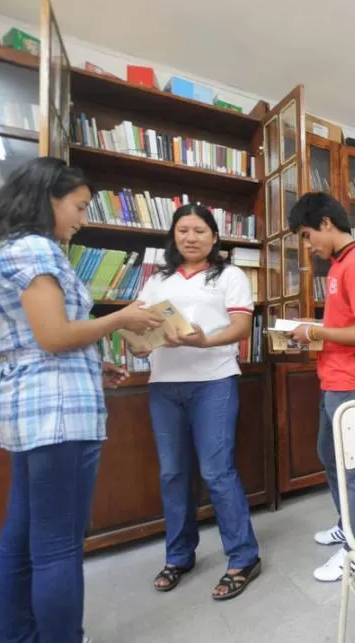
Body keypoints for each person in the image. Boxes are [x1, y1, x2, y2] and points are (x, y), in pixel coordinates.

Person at [0, 157, 164, 643]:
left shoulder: (8, 250)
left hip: (32, 404)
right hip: (58, 412)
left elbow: (38, 339)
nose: (82, 218)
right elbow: (52, 335)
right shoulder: (38, 251)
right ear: (48, 198)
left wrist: (96, 361)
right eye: (79, 206)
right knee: (57, 547)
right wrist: (121, 319)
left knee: (23, 537)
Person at [131, 204, 262, 601]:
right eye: (183, 230)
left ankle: (243, 556)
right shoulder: (158, 280)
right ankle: (179, 556)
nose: (191, 237)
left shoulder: (230, 274)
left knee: (217, 471)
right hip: (164, 385)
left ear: (214, 236)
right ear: (173, 235)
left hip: (213, 381)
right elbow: (136, 328)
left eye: (200, 230)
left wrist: (205, 340)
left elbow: (241, 326)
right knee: (172, 473)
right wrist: (138, 346)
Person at [287, 192, 355, 583]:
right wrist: (315, 333)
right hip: (335, 381)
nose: (309, 245)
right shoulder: (338, 265)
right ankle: (349, 524)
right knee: (329, 456)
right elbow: (348, 325)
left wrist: (316, 331)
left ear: (327, 223)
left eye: (309, 235)